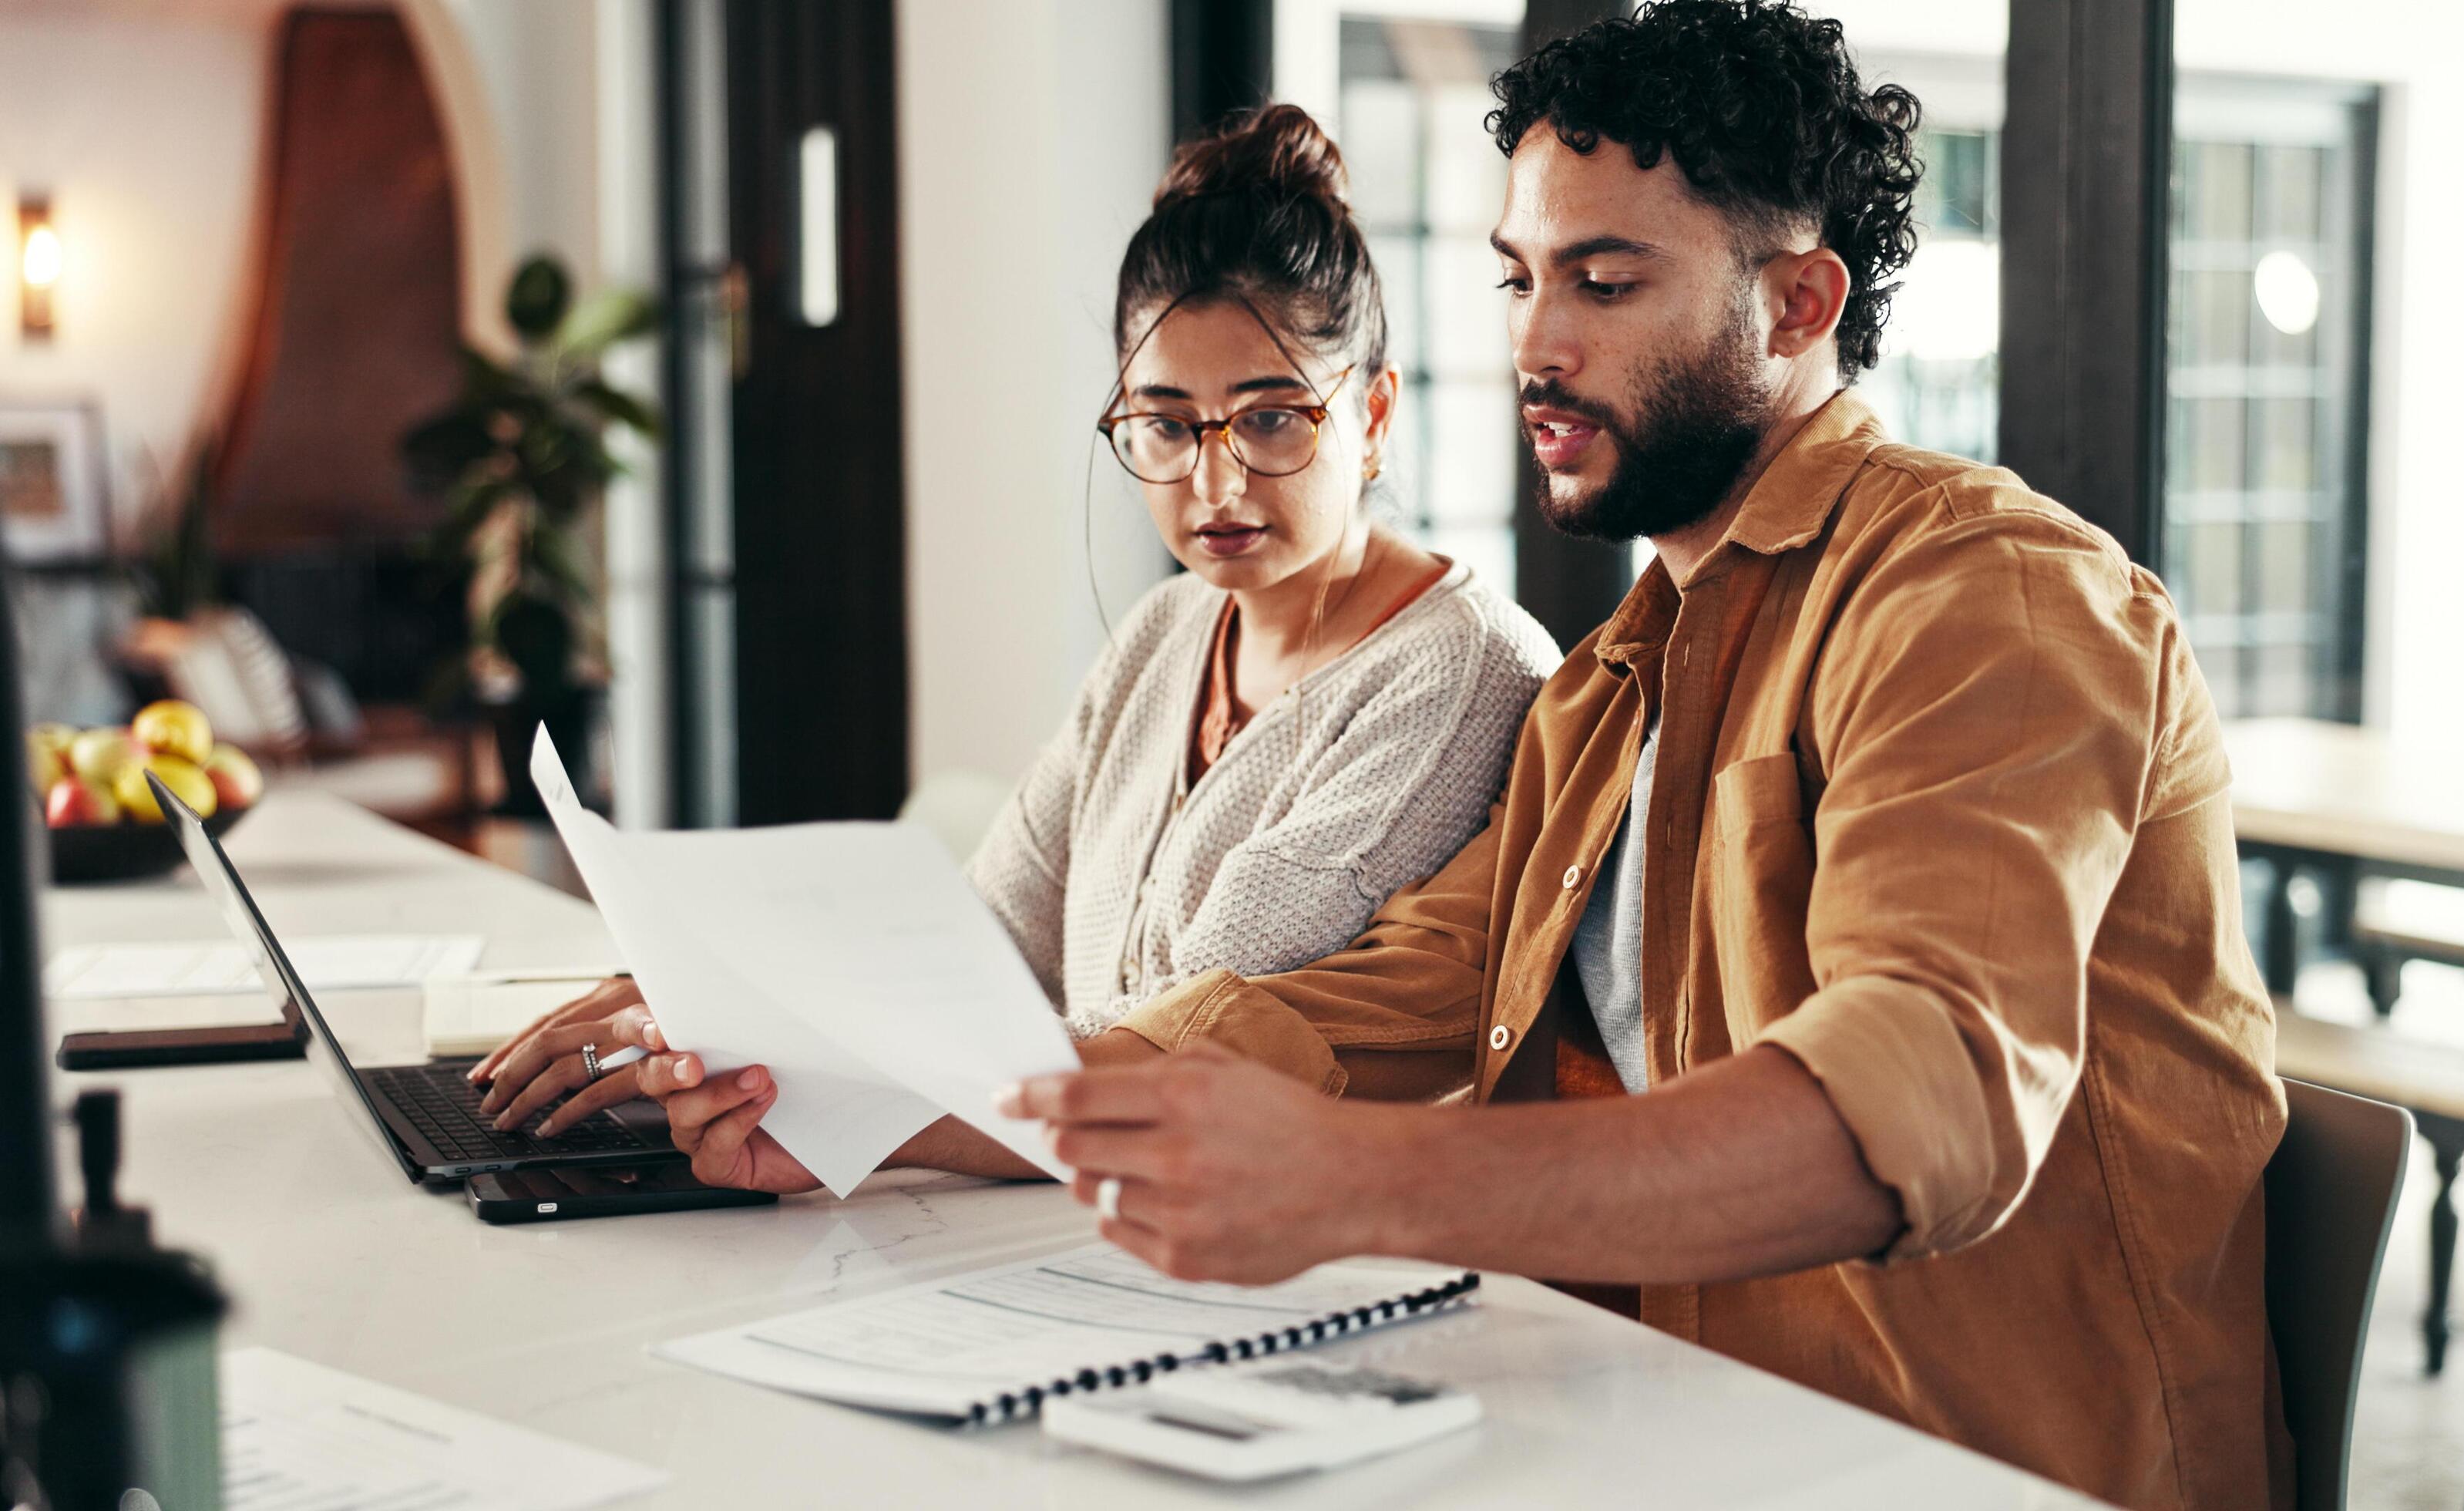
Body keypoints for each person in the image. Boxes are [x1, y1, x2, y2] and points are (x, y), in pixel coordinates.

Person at [976, 5, 2290, 1507]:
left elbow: (1920, 1096)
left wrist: (1354, 1178)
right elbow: (1356, 1006)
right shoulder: (1610, 682)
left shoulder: (1983, 595)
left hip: (1963, 1467)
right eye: (1519, 279)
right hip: (1657, 1432)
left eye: (1602, 281)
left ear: (1796, 304)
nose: (1535, 343)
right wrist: (860, 1109)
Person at [469, 106, 1558, 1173]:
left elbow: (1198, 1019)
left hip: (1272, 1240)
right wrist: (716, 998)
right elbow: (983, 941)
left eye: (1271, 418)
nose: (1212, 482)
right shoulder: (1167, 631)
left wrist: (859, 1102)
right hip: (1067, 1204)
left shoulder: (1459, 670)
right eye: (1165, 424)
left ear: (1369, 417)